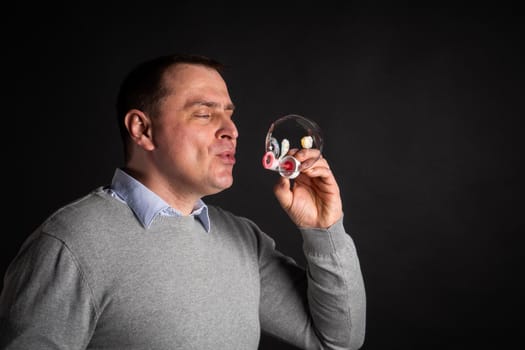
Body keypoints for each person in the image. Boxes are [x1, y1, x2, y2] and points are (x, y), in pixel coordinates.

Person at [0, 54, 366, 349]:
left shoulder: (242, 240)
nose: (232, 130)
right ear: (142, 129)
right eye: (205, 113)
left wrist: (324, 231)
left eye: (229, 114)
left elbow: (336, 339)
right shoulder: (69, 244)